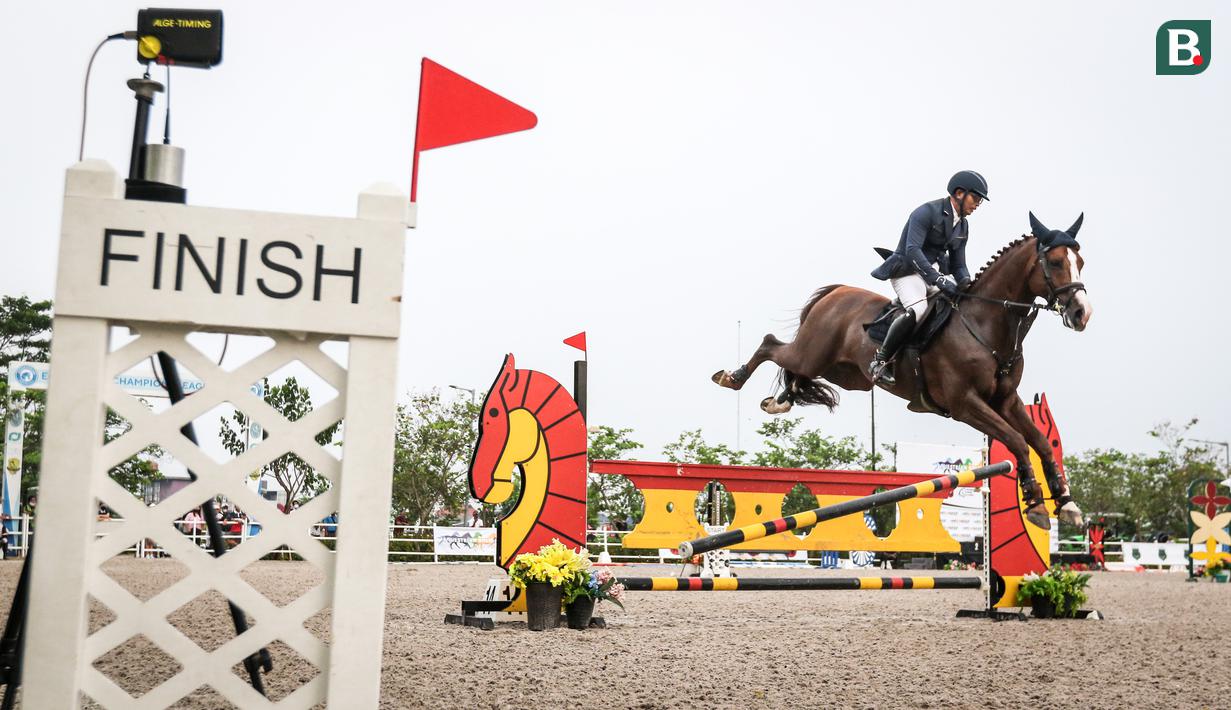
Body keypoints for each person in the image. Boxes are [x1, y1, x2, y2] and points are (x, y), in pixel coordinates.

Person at [868, 170, 989, 385]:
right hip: (907, 270)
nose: (978, 204)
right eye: (976, 198)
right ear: (960, 193)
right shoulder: (926, 212)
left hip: (932, 272)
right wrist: (939, 279)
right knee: (918, 310)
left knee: (956, 305)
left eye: (980, 200)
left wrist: (967, 284)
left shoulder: (962, 225)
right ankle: (880, 360)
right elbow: (913, 250)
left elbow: (958, 264)